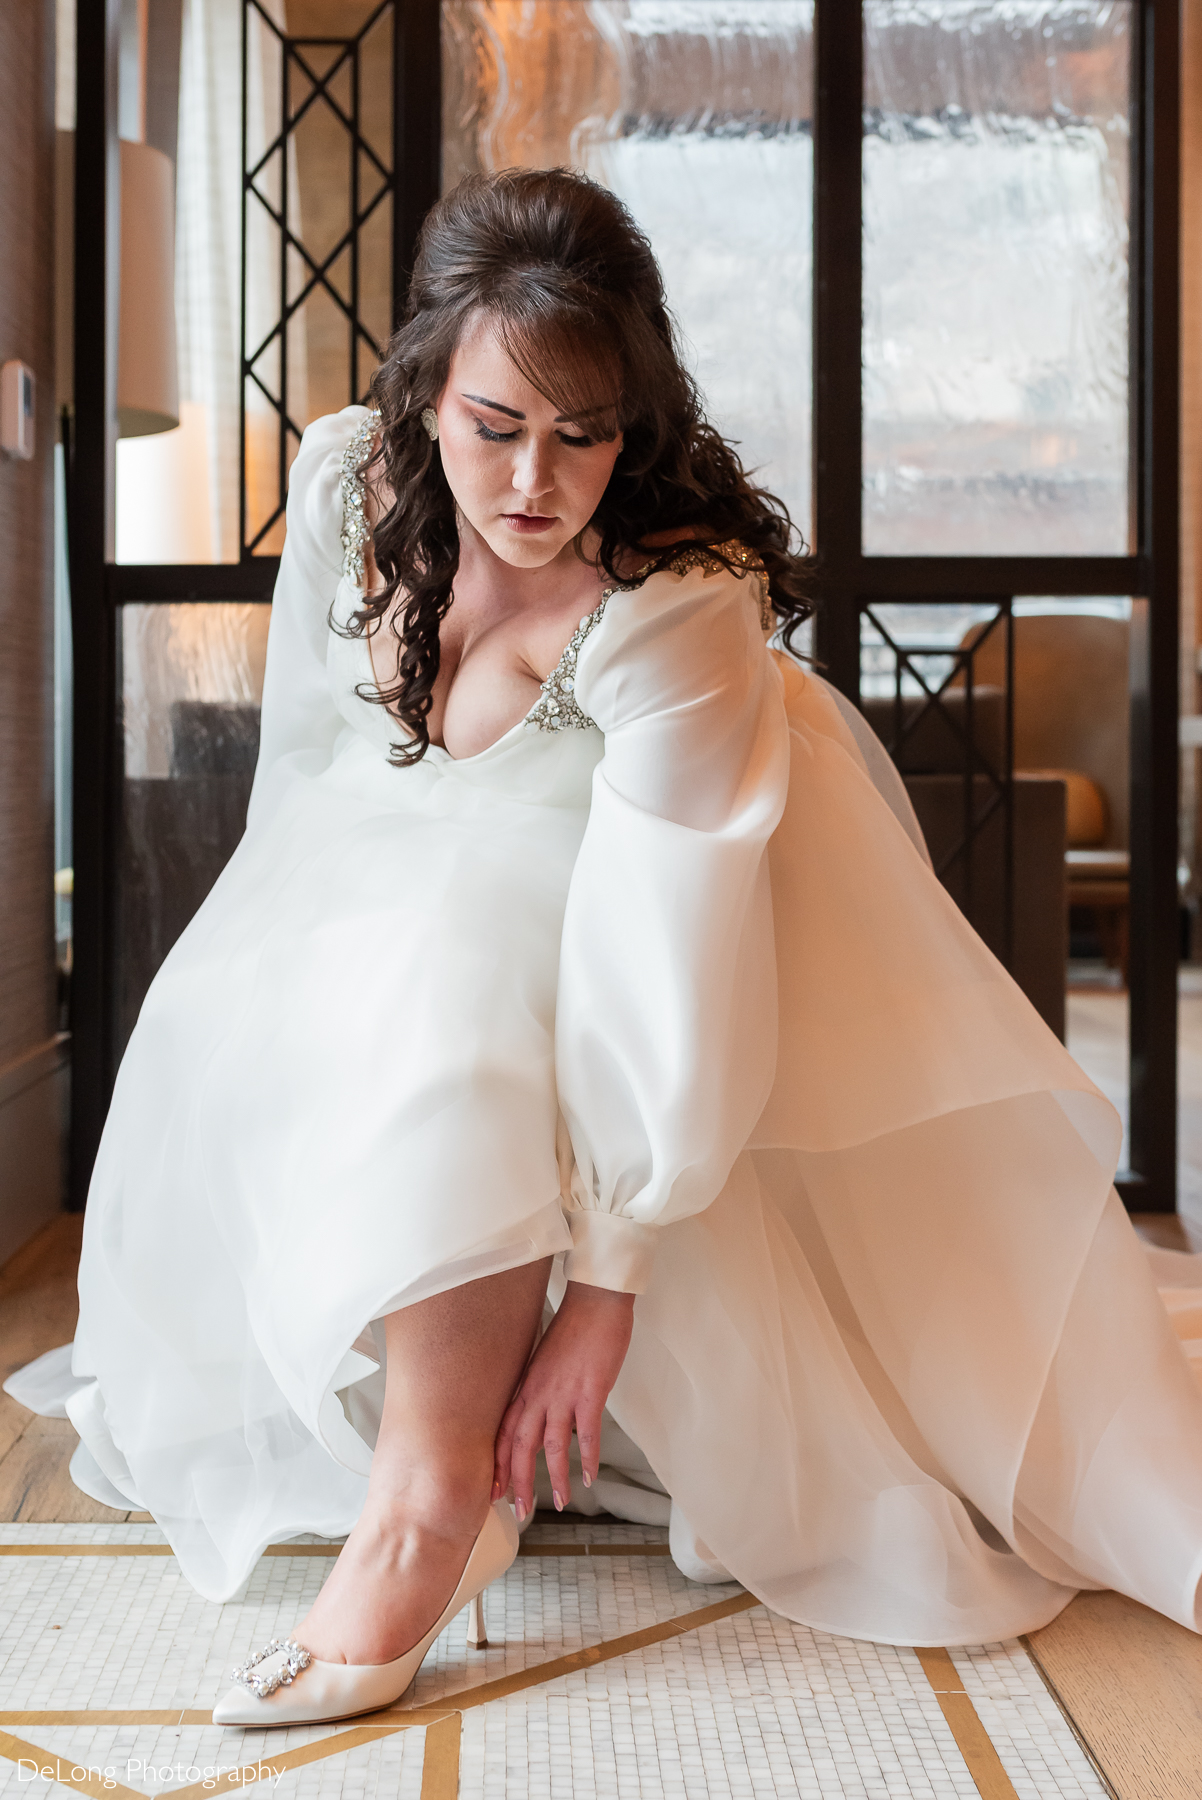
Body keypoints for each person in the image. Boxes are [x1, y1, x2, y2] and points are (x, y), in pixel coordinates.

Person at [10, 167, 1202, 1728]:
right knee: (333, 971)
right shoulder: (342, 483)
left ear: (634, 423)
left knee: (455, 987)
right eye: (495, 424)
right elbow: (310, 775)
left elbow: (669, 947)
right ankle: (428, 1445)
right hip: (391, 877)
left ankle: (427, 1505)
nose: (533, 481)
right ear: (423, 387)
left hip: (640, 909)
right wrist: (270, 986)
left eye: (585, 434)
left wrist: (611, 1275)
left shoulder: (670, 602)